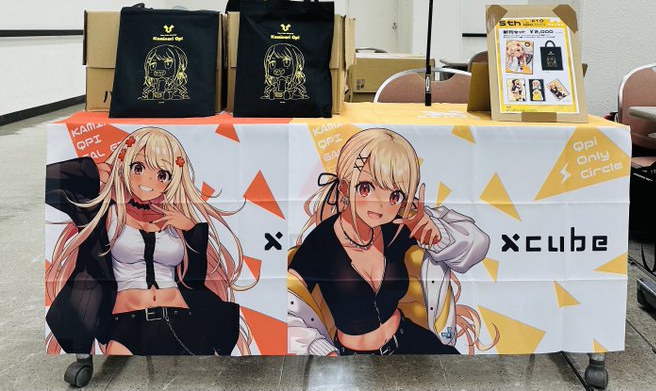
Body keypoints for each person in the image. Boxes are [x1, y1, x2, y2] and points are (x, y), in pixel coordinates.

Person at [45, 127, 252, 356]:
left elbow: (194, 281)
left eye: (162, 174)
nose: (148, 180)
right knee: (116, 374)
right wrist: (92, 169)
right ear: (124, 164)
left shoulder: (177, 219)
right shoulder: (105, 213)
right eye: (138, 168)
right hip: (126, 323)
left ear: (173, 178)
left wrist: (191, 231)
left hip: (183, 319)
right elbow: (49, 181)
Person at [288, 128, 494, 356]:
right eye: (366, 188)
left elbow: (478, 244)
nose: (381, 204)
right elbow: (285, 301)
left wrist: (438, 234)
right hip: (351, 359)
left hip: (410, 342)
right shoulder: (321, 243)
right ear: (345, 187)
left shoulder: (398, 226)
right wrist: (319, 348)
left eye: (395, 195)